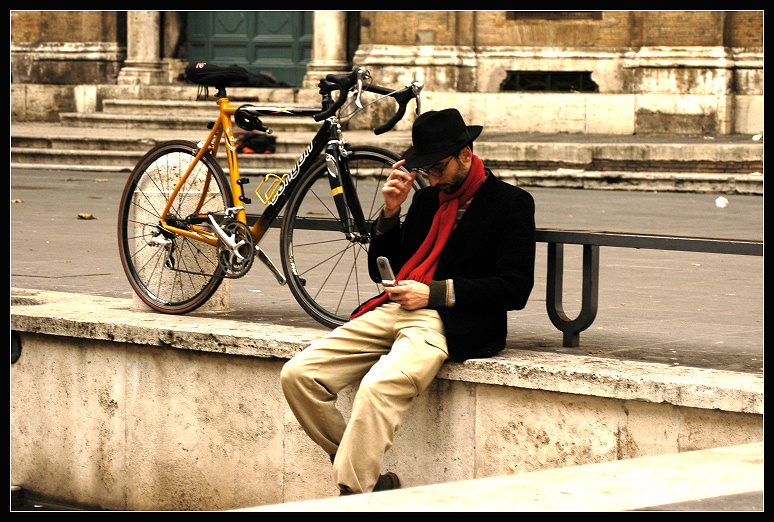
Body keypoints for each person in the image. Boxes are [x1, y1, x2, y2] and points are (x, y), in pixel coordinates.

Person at [281, 108, 536, 495]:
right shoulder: (427, 200)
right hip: (394, 308)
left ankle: (355, 494)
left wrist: (434, 292)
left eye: (437, 168)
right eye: (425, 170)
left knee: (377, 387)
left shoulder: (511, 203)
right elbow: (385, 269)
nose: (431, 178)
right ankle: (367, 475)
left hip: (447, 319)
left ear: (466, 154)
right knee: (299, 376)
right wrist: (389, 214)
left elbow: (515, 288)